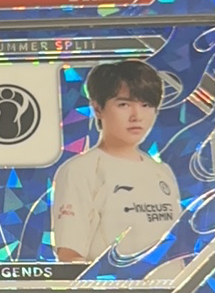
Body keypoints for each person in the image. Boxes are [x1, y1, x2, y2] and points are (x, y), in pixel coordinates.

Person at [51, 59, 180, 264]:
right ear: (98, 109)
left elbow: (177, 248)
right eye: (124, 105)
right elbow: (69, 255)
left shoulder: (162, 172)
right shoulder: (80, 171)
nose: (136, 116)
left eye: (146, 105)